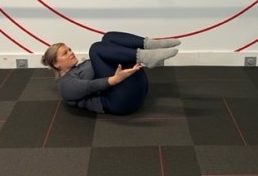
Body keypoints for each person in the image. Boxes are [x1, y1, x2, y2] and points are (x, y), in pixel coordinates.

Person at [41, 31, 180, 115]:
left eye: (69, 49)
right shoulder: (64, 85)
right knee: (96, 48)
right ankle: (145, 57)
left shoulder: (82, 65)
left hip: (136, 86)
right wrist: (114, 80)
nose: (71, 53)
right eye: (65, 53)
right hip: (121, 103)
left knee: (107, 37)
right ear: (56, 64)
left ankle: (149, 45)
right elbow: (90, 86)